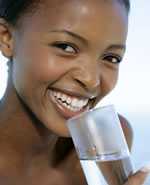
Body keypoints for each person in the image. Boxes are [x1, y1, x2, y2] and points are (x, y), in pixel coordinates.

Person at [0, 0, 149, 184]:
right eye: (66, 47)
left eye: (111, 58)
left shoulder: (106, 143)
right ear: (6, 37)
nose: (91, 80)